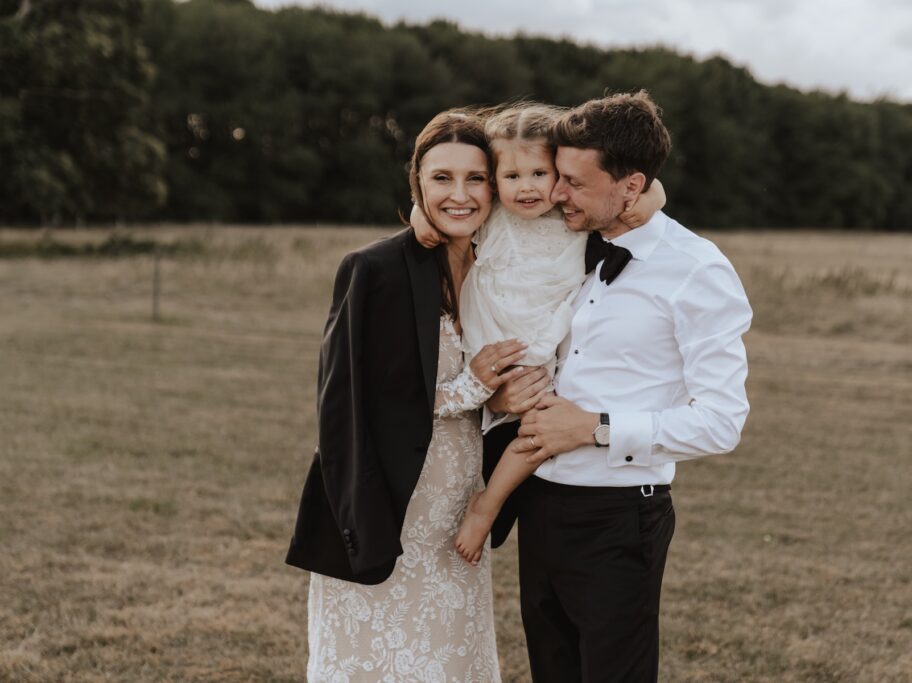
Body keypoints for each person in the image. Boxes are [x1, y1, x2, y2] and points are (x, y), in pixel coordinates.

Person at [496, 91, 753, 682]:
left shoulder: (697, 269)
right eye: (558, 176)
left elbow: (721, 423)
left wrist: (594, 428)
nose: (557, 194)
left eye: (574, 183)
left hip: (618, 515)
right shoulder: (572, 243)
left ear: (632, 186)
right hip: (540, 504)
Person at [284, 109, 528, 682]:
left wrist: (499, 403)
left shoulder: (503, 273)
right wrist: (472, 387)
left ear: (495, 185)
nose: (459, 195)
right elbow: (347, 407)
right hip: (386, 506)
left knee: (449, 662)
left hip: (458, 511)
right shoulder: (374, 270)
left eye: (475, 178)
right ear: (416, 182)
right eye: (442, 178)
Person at [410, 103, 666, 564]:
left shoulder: (572, 218)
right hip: (491, 339)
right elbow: (442, 201)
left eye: (539, 174)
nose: (526, 187)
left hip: (539, 344)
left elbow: (646, 191)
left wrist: (653, 199)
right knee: (501, 430)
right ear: (494, 181)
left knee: (536, 428)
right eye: (512, 177)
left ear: (560, 177)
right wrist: (418, 215)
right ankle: (483, 501)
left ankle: (489, 504)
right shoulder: (493, 215)